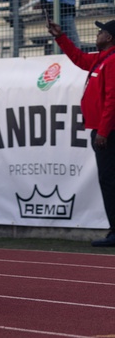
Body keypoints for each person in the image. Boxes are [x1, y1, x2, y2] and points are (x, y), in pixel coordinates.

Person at [47, 19, 115, 247]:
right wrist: (60, 37)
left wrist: (103, 132)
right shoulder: (103, 58)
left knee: (109, 181)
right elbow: (78, 58)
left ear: (110, 38)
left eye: (101, 31)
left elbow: (112, 100)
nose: (98, 34)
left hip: (109, 133)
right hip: (103, 130)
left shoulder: (112, 60)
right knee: (108, 181)